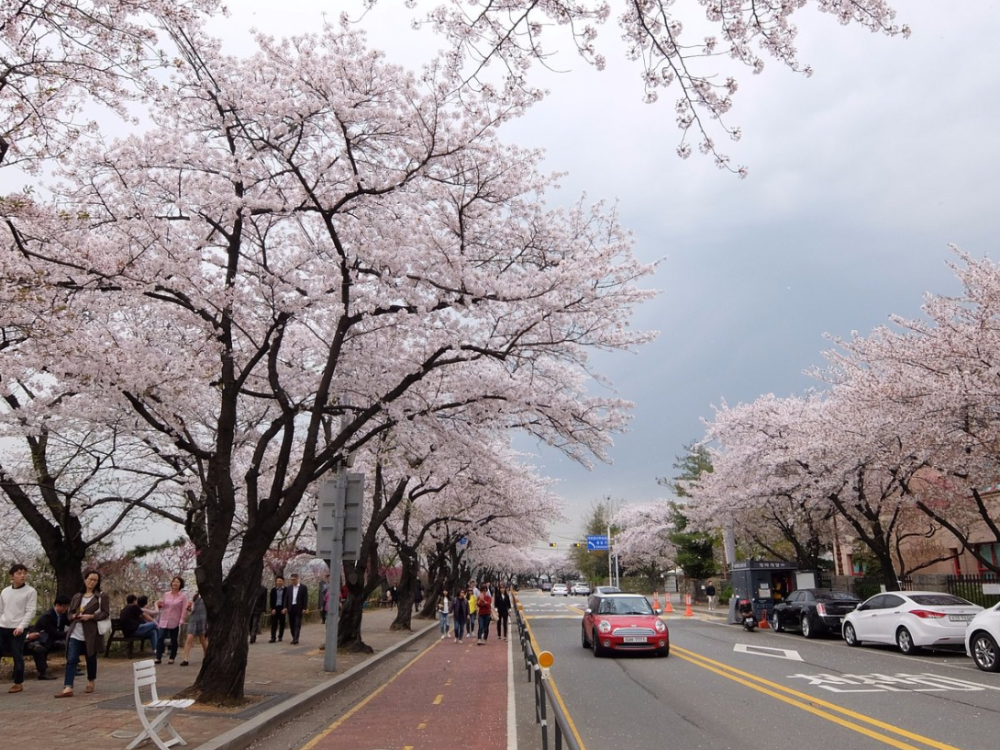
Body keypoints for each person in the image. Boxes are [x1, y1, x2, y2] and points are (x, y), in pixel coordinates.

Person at [55, 568, 110, 698]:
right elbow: (69, 614)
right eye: (90, 579)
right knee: (72, 658)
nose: (92, 582)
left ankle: (91, 680)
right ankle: (68, 687)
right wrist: (73, 616)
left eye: (95, 580)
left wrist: (91, 617)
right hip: (76, 630)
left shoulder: (101, 597)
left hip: (91, 632)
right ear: (85, 579)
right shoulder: (77, 596)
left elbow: (105, 613)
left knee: (90, 658)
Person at [0, 563, 38, 693]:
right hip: (3, 626)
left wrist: (22, 626)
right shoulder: (5, 591)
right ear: (12, 576)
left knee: (17, 655)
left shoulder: (30, 591)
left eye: (24, 573)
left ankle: (18, 682)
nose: (22, 576)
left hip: (18, 629)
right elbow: (1, 610)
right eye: (19, 573)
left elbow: (30, 611)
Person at [24, 593, 71, 680]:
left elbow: (69, 623)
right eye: (64, 606)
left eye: (67, 607)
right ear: (57, 605)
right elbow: (53, 633)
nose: (66, 609)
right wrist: (68, 633)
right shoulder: (48, 616)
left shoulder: (63, 614)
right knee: (39, 648)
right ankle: (43, 673)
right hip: (40, 639)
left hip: (50, 639)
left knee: (71, 642)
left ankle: (73, 666)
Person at [155, 576, 189, 665]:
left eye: (177, 582)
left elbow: (184, 609)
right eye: (174, 582)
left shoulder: (183, 596)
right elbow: (163, 605)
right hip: (164, 619)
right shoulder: (166, 594)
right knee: (160, 637)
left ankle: (172, 657)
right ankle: (158, 657)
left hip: (174, 620)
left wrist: (182, 619)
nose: (175, 583)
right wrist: (160, 604)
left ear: (180, 584)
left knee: (173, 640)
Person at [180, 593, 207, 666]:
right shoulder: (195, 596)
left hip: (203, 618)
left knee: (202, 639)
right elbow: (191, 610)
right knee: (189, 637)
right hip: (193, 619)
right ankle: (185, 659)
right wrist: (188, 608)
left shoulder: (208, 596)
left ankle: (206, 656)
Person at [285, 573, 308, 645]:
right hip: (291, 607)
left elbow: (305, 598)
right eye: (291, 580)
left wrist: (304, 608)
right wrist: (285, 607)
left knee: (297, 624)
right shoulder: (289, 588)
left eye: (294, 580)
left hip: (299, 608)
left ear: (297, 579)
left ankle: (296, 639)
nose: (292, 581)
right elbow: (286, 598)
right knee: (292, 624)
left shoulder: (303, 587)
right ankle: (294, 637)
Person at [269, 575, 287, 643]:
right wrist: (272, 608)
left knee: (282, 623)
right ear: (276, 582)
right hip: (275, 608)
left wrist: (285, 608)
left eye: (280, 581)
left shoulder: (286, 590)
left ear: (283, 581)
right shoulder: (273, 590)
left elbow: (287, 599)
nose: (279, 582)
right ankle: (273, 637)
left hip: (282, 608)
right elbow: (271, 600)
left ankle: (280, 636)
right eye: (278, 581)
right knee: (274, 623)